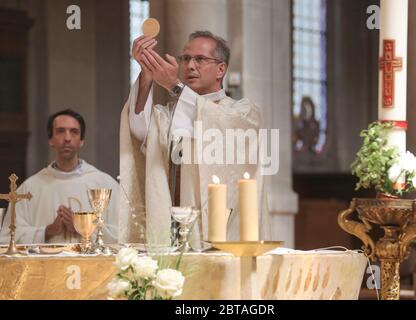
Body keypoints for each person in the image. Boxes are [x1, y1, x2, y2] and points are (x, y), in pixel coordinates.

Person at [120, 31, 270, 245]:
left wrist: (174, 86)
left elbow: (216, 121)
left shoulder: (243, 113)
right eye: (186, 58)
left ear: (221, 69)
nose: (190, 66)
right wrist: (147, 75)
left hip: (221, 233)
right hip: (172, 227)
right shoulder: (169, 114)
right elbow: (139, 129)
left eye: (199, 59)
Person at [0, 109, 119, 244]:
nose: (67, 138)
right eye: (60, 131)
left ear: (81, 141)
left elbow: (124, 234)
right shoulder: (30, 188)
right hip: (45, 265)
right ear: (50, 140)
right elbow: (7, 239)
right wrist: (47, 231)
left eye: (74, 132)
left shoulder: (104, 184)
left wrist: (81, 227)